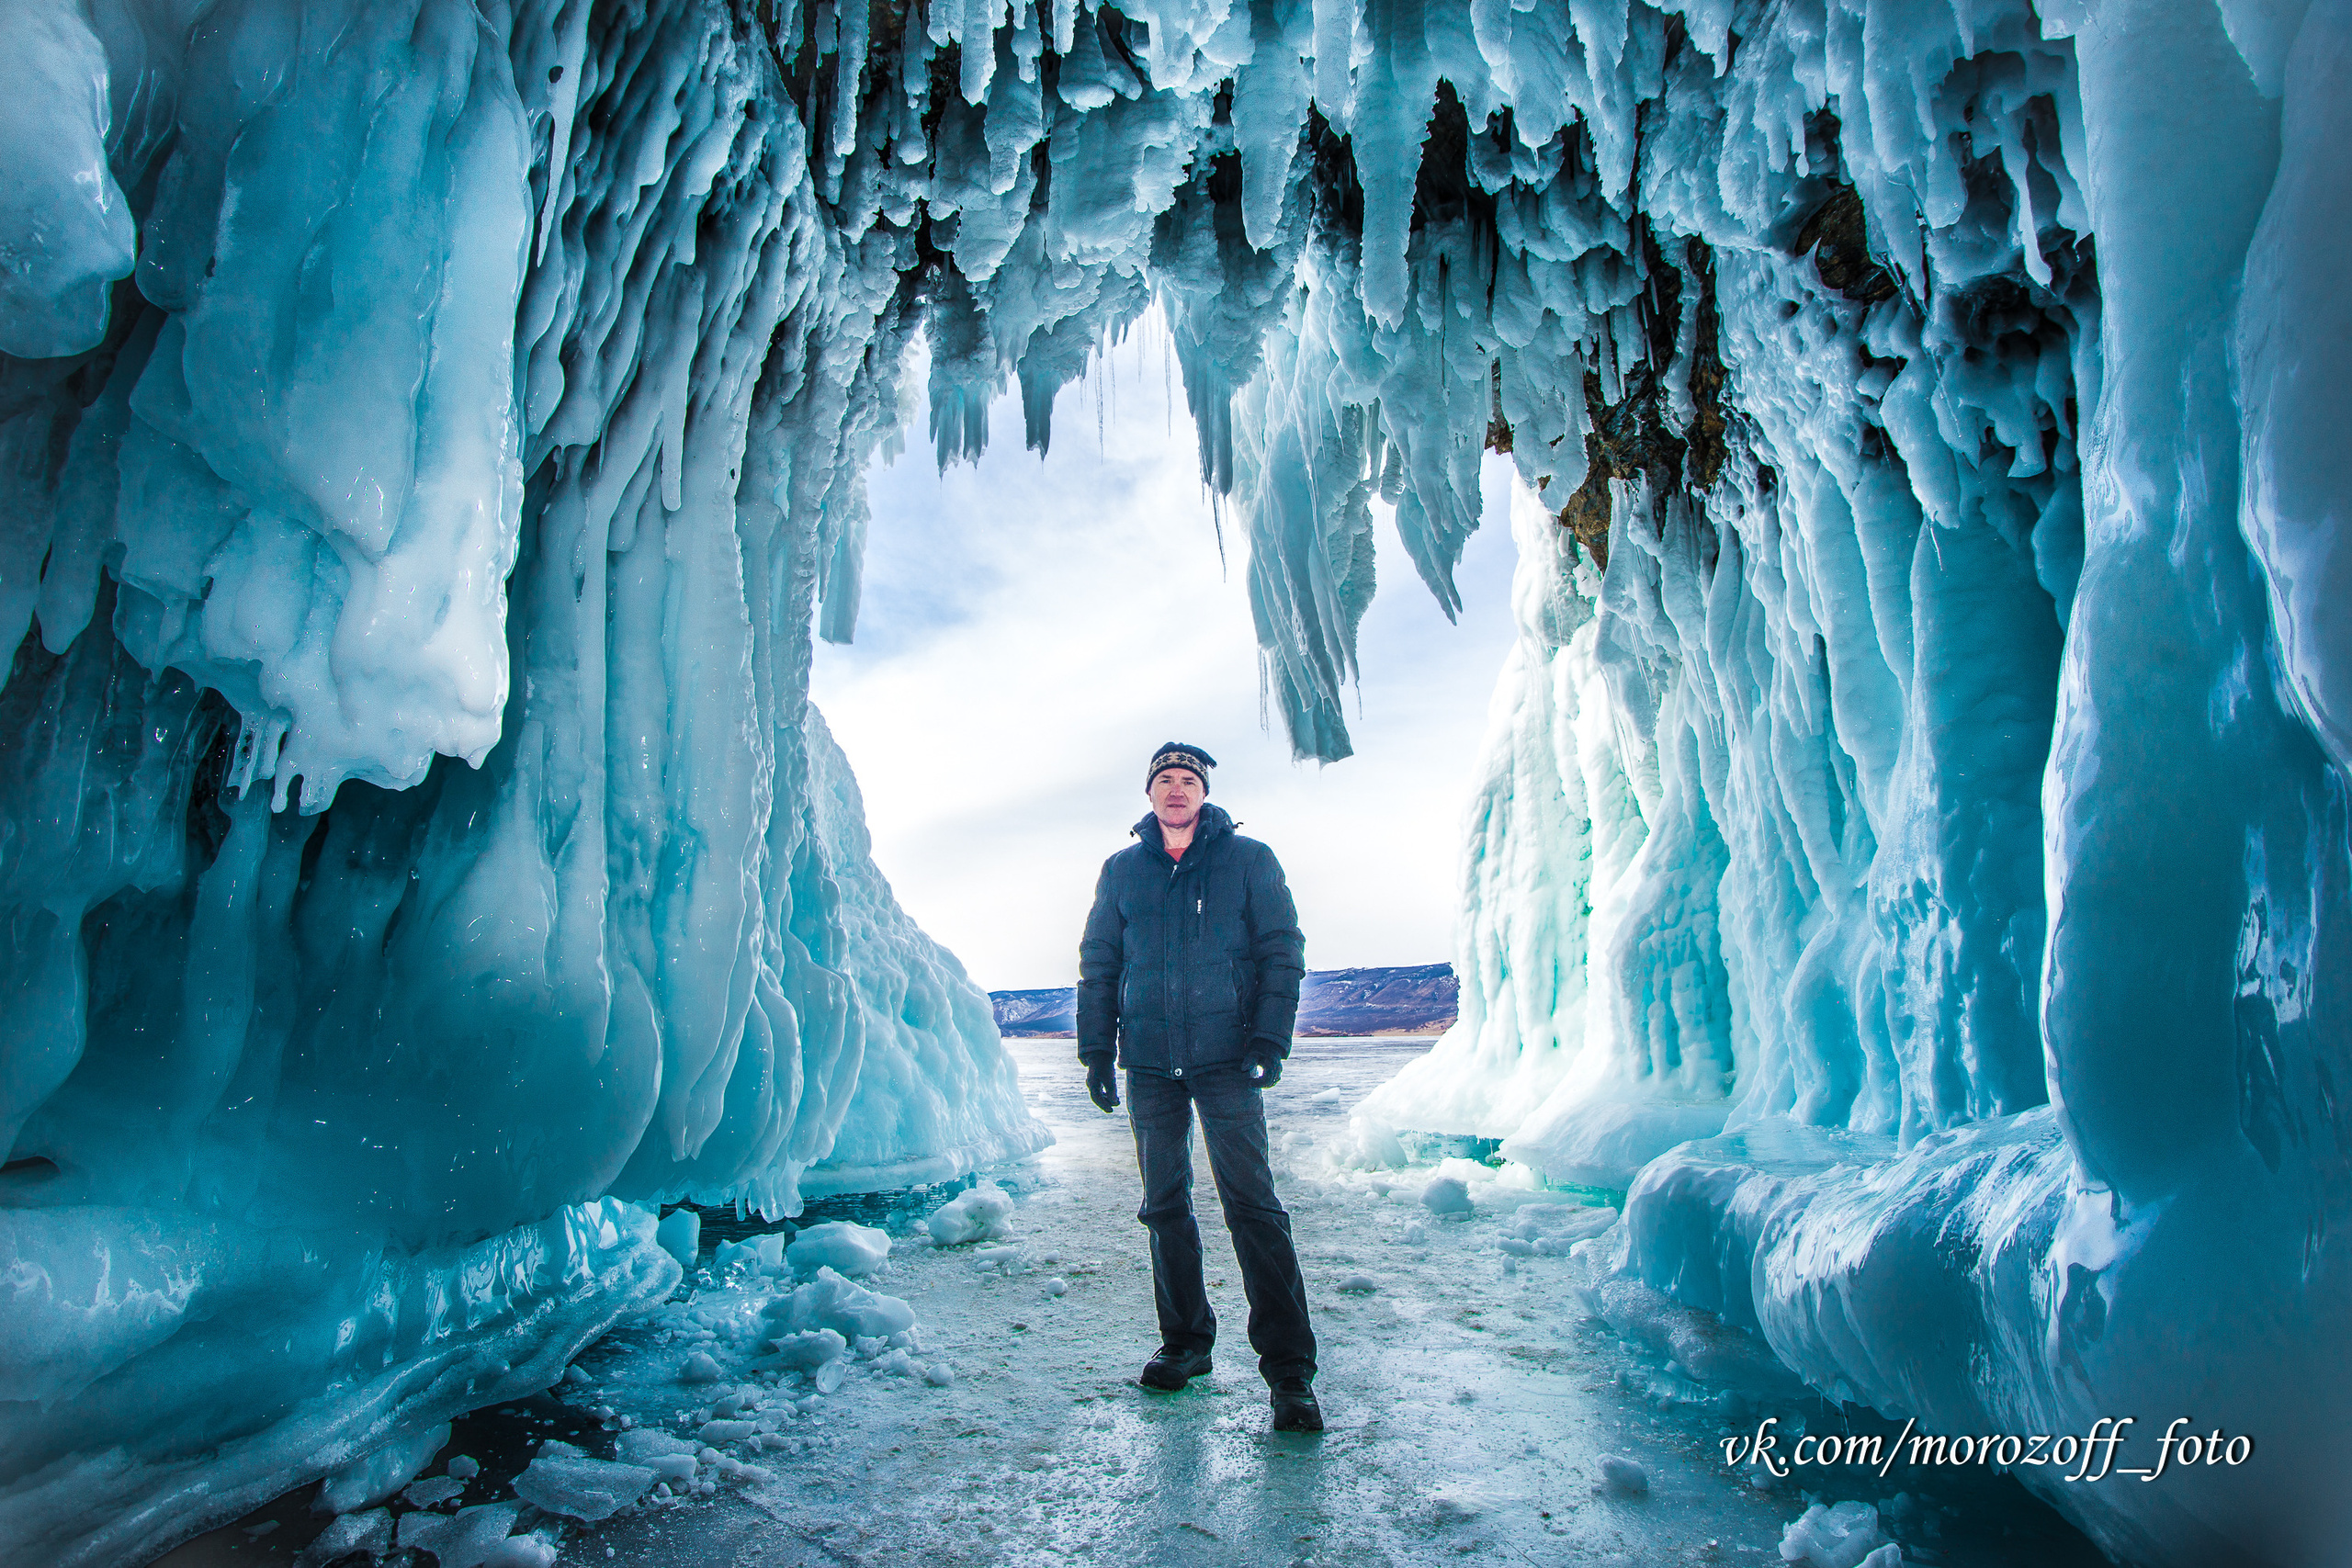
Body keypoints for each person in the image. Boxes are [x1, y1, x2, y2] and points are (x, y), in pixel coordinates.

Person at [1076, 741, 1321, 1433]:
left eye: (1188, 779)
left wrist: (1269, 1040)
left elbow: (1282, 953)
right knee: (1164, 1206)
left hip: (1227, 1060)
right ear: (1150, 794)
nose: (1176, 789)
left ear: (1204, 792)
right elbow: (1098, 963)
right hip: (1149, 1062)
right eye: (1165, 780)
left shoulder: (1249, 860)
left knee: (1254, 1207)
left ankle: (1290, 1372)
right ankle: (1186, 1343)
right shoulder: (1122, 871)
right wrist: (1097, 1049)